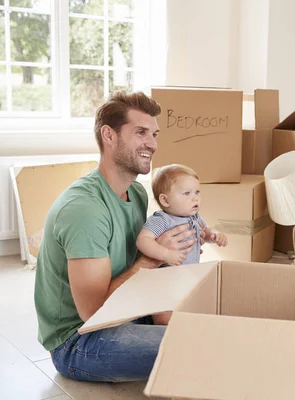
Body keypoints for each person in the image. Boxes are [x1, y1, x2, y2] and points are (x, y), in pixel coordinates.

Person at [34, 91, 201, 382]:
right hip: (80, 340)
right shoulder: (85, 210)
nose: (152, 143)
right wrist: (152, 257)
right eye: (140, 132)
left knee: (218, 323)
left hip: (128, 309)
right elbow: (94, 314)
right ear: (109, 136)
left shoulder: (135, 193)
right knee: (202, 346)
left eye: (154, 134)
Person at [137, 163, 228, 267]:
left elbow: (206, 231)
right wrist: (166, 254)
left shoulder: (195, 217)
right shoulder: (162, 220)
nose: (195, 198)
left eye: (197, 192)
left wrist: (214, 235)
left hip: (190, 272)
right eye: (187, 193)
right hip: (167, 277)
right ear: (165, 200)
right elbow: (143, 240)